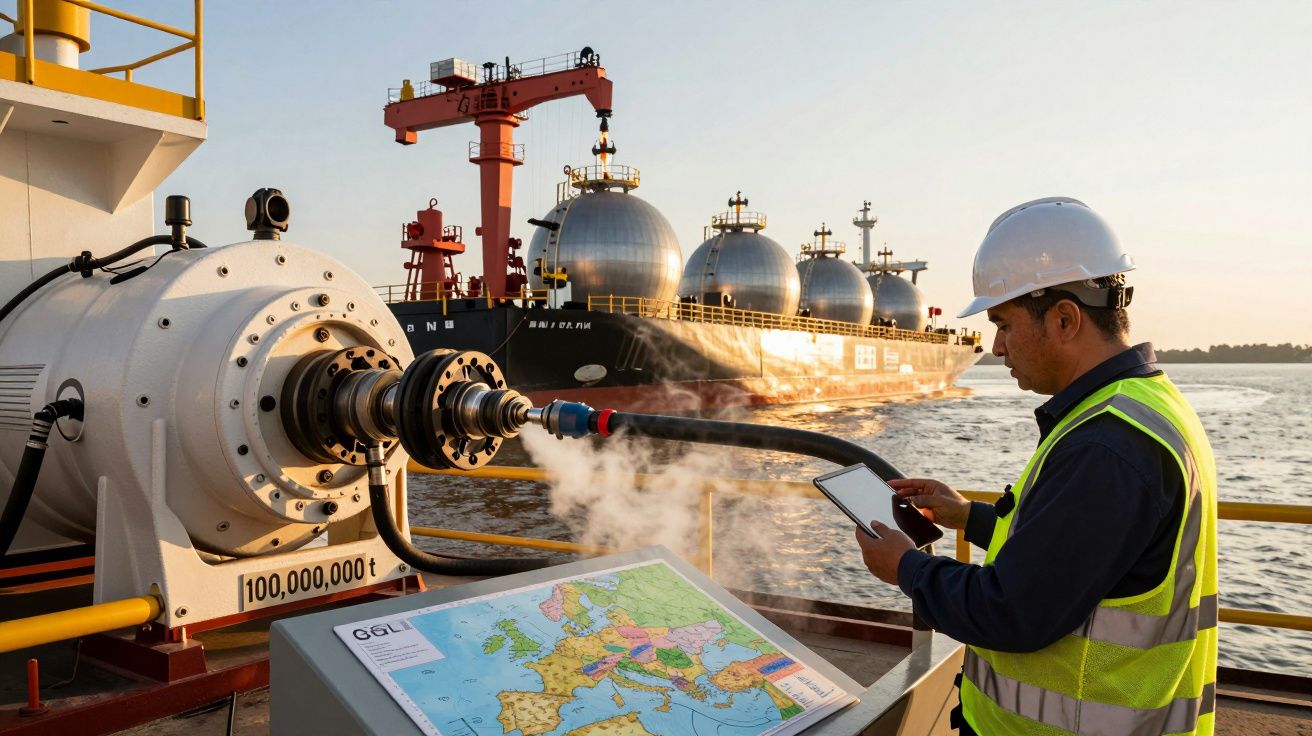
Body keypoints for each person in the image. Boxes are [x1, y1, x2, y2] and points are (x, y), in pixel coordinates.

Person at [854, 197, 1219, 736]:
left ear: (1065, 319)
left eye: (1002, 323)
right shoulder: (1139, 407)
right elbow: (1079, 554)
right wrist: (968, 517)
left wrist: (905, 568)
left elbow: (1013, 612)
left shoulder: (1107, 446)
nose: (996, 346)